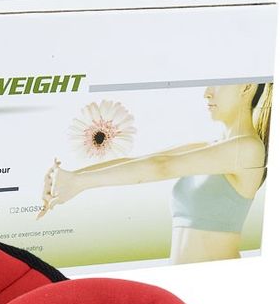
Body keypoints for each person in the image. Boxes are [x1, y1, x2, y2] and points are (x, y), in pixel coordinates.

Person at [39, 83, 272, 263]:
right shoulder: (212, 147)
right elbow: (141, 160)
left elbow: (161, 166)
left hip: (216, 282)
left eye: (218, 84)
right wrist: (68, 178)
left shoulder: (248, 149)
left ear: (247, 87)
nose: (207, 93)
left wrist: (79, 181)